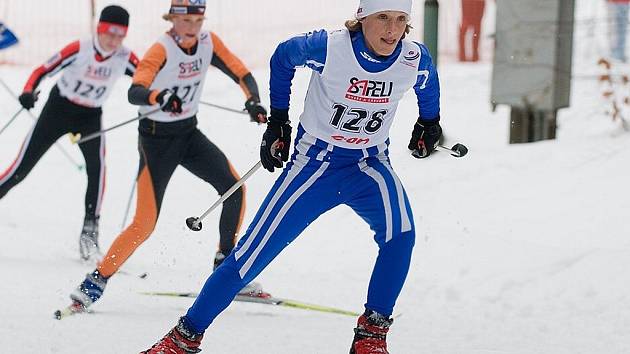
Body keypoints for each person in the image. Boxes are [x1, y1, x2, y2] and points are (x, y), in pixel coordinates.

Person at [142, 0, 442, 352]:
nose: (392, 30)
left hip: (369, 165)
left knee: (401, 235)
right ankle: (184, 337)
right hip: (315, 167)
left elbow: (427, 80)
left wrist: (429, 121)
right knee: (251, 257)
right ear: (362, 18)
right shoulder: (331, 47)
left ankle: (371, 336)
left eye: (400, 20)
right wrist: (278, 120)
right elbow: (284, 56)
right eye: (383, 18)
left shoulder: (412, 57)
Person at [68, 0, 268, 312]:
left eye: (198, 20)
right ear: (173, 19)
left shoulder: (208, 42)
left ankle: (225, 266)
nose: (193, 26)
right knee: (144, 224)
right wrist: (158, 96)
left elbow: (241, 72)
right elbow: (134, 91)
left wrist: (253, 101)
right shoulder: (160, 49)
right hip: (156, 142)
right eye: (186, 20)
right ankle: (95, 281)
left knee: (234, 188)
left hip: (189, 135)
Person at [0, 5, 138, 261]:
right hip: (58, 110)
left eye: (120, 36)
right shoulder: (81, 48)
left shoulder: (125, 57)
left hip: (90, 117)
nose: (114, 41)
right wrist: (28, 91)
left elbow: (145, 79)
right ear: (99, 30)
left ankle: (90, 231)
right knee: (21, 168)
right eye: (110, 34)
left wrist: (157, 96)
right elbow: (41, 70)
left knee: (97, 171)